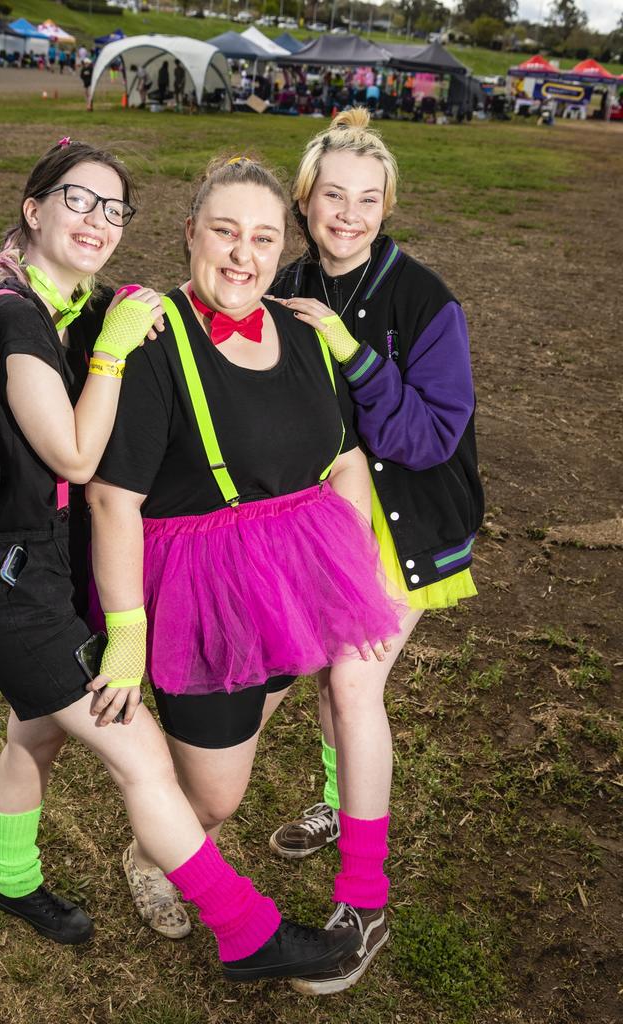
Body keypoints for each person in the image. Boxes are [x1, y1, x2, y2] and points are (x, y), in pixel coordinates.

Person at [0, 138, 360, 982]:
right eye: (77, 201)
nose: (97, 221)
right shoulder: (13, 317)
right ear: (33, 209)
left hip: (48, 567)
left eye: (112, 208)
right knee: (140, 757)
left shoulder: (69, 304)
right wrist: (112, 351)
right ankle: (248, 931)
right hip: (14, 578)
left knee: (35, 733)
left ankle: (9, 876)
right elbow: (74, 459)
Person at [87, 155, 403, 977]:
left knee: (244, 742)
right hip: (203, 590)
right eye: (224, 231)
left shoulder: (301, 332)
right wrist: (127, 632)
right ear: (190, 232)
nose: (242, 255)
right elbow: (112, 501)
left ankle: (177, 835)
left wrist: (358, 568)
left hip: (300, 575)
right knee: (220, 792)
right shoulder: (155, 340)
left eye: (262, 238)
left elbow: (345, 455)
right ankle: (155, 848)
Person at [266, 107, 484, 993]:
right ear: (305, 200)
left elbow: (433, 436)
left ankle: (365, 899)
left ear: (386, 205)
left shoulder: (424, 300)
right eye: (331, 197)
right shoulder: (283, 280)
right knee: (325, 680)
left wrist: (351, 351)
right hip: (325, 523)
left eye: (366, 199)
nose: (347, 214)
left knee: (354, 682)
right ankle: (333, 797)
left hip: (409, 524)